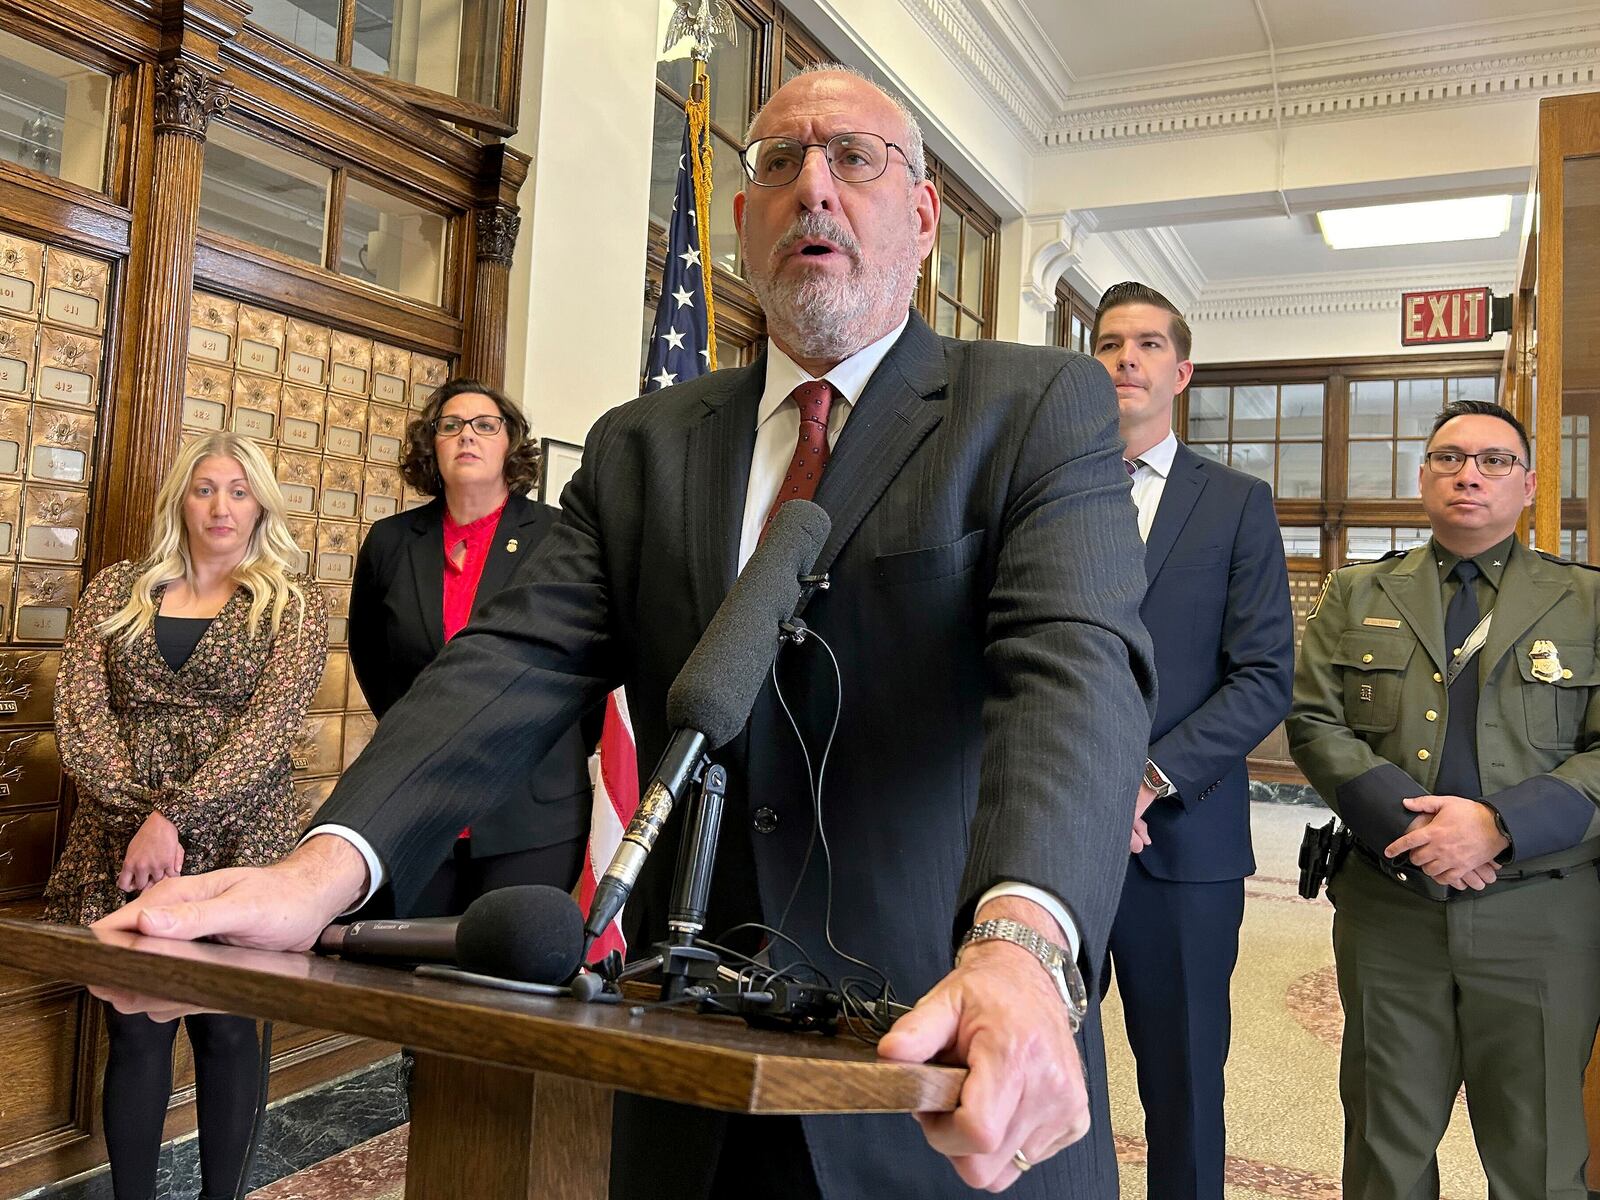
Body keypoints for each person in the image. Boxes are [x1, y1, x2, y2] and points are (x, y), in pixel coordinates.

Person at [98, 65, 1156, 1199]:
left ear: (924, 214)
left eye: (854, 159)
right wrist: (320, 870)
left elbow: (1074, 672)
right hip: (681, 1072)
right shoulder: (642, 445)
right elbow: (509, 663)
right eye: (778, 164)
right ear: (740, 218)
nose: (814, 190)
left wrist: (1022, 948)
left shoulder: (1032, 407)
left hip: (941, 1074)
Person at [1288, 399, 1600, 1199]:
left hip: (1542, 911)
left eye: (1494, 461)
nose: (1471, 474)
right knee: (1385, 1145)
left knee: (1538, 1152)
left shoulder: (1588, 603)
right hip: (1392, 907)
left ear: (1528, 484)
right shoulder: (1357, 593)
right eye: (1450, 458)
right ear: (1423, 476)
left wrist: (1497, 826)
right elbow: (1314, 720)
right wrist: (1420, 832)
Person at [44, 432, 327, 1200]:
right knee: (134, 1029)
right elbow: (79, 709)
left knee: (228, 1027)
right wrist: (137, 815)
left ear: (261, 502)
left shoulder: (294, 604)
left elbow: (270, 728)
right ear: (180, 498)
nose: (221, 505)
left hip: (239, 837)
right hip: (119, 836)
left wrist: (175, 820)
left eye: (239, 489)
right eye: (205, 487)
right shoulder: (117, 590)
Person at [1092, 282, 1294, 1200]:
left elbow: (1262, 677)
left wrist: (1144, 779)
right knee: (1037, 1070)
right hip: (1054, 839)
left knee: (1182, 1087)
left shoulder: (1236, 504)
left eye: (1145, 344)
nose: (1126, 358)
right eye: (1107, 344)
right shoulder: (1052, 487)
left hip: (1181, 843)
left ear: (1182, 371)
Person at [349, 378, 593, 917]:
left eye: (485, 426)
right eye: (450, 426)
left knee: (508, 981)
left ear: (511, 445)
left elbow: (587, 665)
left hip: (532, 809)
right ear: (431, 447)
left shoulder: (558, 537)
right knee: (410, 979)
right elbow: (372, 658)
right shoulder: (391, 542)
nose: (467, 436)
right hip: (417, 802)